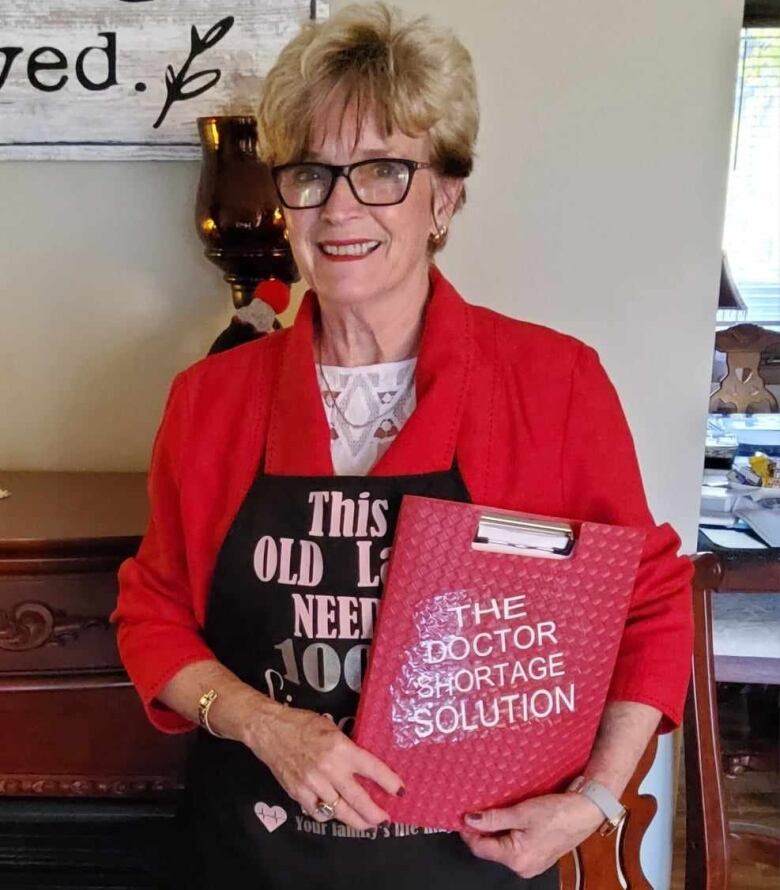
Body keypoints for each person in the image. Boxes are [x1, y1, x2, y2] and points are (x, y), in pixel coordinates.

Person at [112, 4, 693, 888]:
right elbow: (152, 611)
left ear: (444, 196)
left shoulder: (552, 383)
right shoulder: (210, 400)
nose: (340, 206)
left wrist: (596, 800)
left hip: (469, 866)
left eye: (381, 169)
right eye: (310, 172)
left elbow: (648, 605)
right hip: (250, 858)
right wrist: (262, 722)